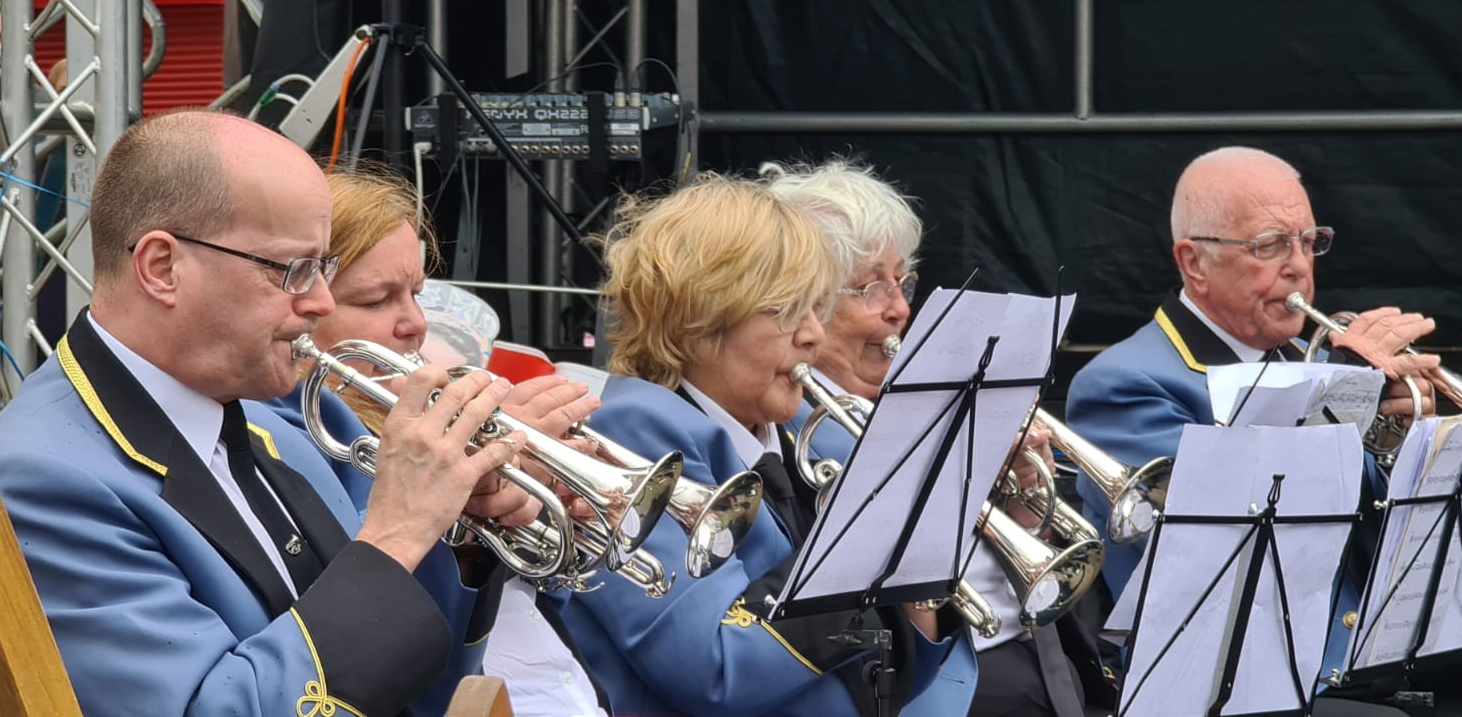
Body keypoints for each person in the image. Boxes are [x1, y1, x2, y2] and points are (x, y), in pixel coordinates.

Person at [0, 109, 537, 716]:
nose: (321, 302)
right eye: (292, 270)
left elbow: (409, 693)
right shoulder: (40, 482)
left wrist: (460, 535)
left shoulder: (275, 424)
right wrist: (396, 533)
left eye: (324, 269)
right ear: (162, 268)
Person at [1066, 145, 1462, 715]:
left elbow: (1381, 550)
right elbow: (1233, 529)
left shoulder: (1309, 359)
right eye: (1269, 245)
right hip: (1234, 688)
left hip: (1368, 666)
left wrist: (1409, 448)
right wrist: (1343, 401)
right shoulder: (1126, 383)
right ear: (1194, 261)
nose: (1298, 264)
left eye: (1308, 240)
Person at [563, 173, 978, 716]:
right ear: (699, 320)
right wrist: (863, 543)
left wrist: (919, 573)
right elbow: (715, 666)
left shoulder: (793, 428)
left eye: (817, 308)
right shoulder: (637, 432)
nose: (811, 333)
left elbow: (896, 676)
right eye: (786, 310)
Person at [765, 158, 1110, 717]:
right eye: (872, 287)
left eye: (903, 282)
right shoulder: (795, 438)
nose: (901, 309)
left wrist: (1025, 501)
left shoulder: (931, 394)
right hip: (946, 687)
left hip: (1046, 665)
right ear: (805, 301)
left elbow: (1031, 574)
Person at [269, 165, 613, 717]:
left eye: (416, 294)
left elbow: (530, 609)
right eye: (378, 300)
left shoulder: (410, 414)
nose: (414, 323)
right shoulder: (302, 438)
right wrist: (464, 508)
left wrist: (535, 514)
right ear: (304, 306)